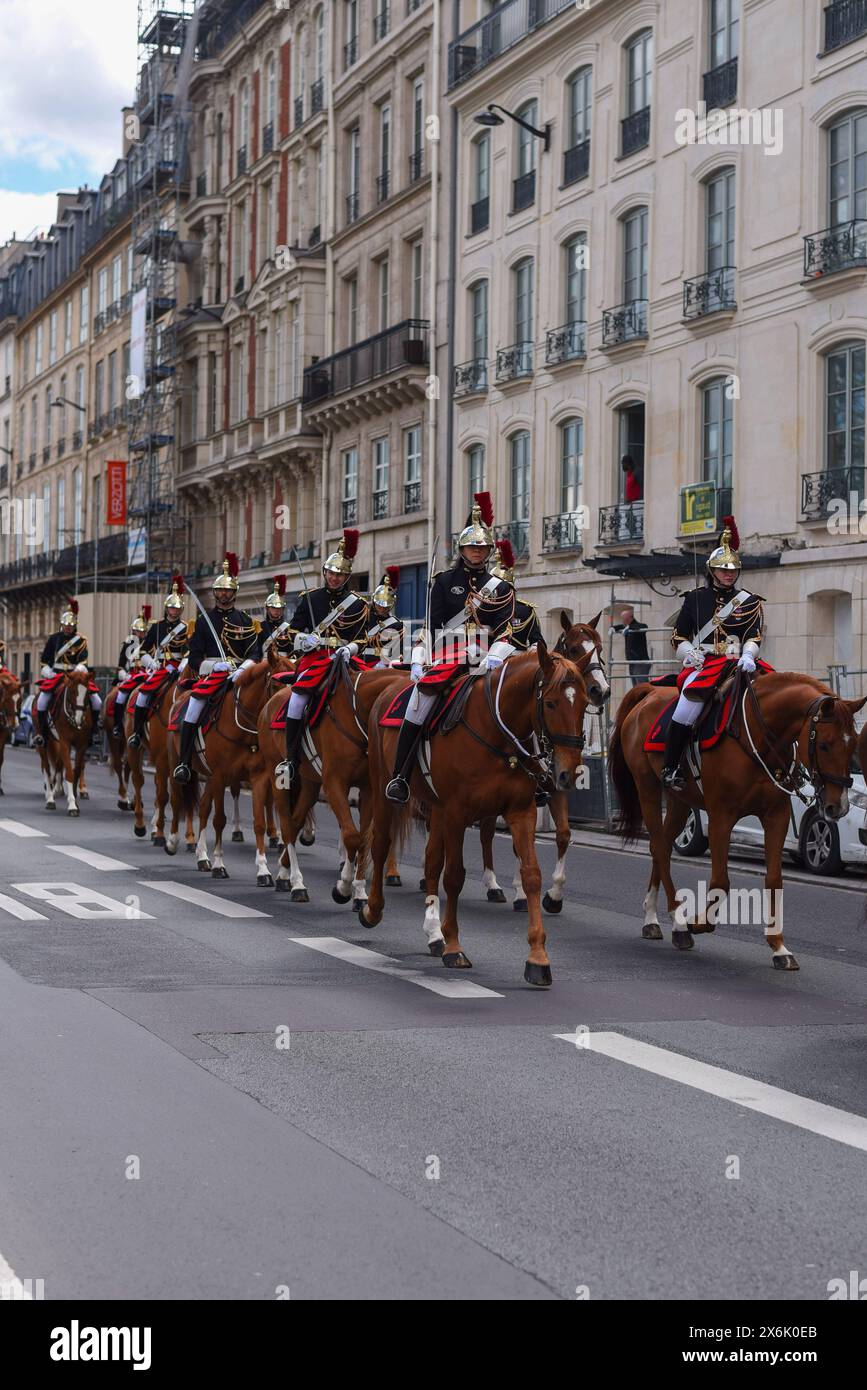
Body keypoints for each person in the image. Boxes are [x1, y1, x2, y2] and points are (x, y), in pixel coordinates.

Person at [384, 492, 515, 804]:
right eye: (472, 547)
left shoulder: (502, 588)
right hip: (448, 658)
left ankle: (534, 774)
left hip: (488, 659)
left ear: (489, 551)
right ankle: (401, 776)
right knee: (418, 704)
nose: (477, 552)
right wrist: (420, 660)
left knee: (527, 699)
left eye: (482, 547)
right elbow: (431, 626)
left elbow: (506, 628)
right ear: (462, 549)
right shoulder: (444, 582)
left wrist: (497, 655)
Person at [662, 515, 766, 791]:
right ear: (712, 571)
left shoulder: (751, 601)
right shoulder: (695, 598)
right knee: (686, 708)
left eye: (733, 570)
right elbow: (678, 636)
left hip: (740, 662)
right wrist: (687, 652)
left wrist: (749, 655)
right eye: (723, 569)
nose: (729, 574)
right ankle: (671, 767)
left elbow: (754, 634)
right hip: (705, 664)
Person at [275, 529, 369, 785]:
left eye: (340, 574)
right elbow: (291, 632)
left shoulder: (359, 604)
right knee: (296, 699)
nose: (335, 578)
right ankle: (292, 759)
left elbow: (364, 638)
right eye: (331, 573)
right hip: (315, 659)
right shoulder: (310, 598)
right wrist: (303, 640)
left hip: (346, 660)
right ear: (325, 572)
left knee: (371, 692)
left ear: (347, 576)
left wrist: (350, 648)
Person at [172, 555, 261, 784]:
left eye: (227, 590)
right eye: (220, 590)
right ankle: (184, 762)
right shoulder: (203, 621)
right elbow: (194, 659)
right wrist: (214, 666)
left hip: (240, 676)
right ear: (214, 592)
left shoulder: (245, 621)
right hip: (213, 676)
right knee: (193, 707)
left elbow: (255, 653)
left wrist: (244, 669)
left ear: (234, 593)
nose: (223, 594)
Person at [127, 580, 190, 750]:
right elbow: (143, 650)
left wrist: (184, 662)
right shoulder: (157, 627)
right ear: (166, 608)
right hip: (161, 667)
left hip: (180, 668)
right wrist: (151, 662)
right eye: (172, 608)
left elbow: (189, 650)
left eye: (177, 608)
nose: (174, 611)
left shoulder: (186, 628)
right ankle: (137, 733)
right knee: (142, 696)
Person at [32, 601, 102, 746]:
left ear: (74, 625)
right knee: (42, 700)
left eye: (70, 626)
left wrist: (78, 671)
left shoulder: (81, 641)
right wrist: (48, 672)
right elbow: (44, 661)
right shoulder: (53, 639)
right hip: (56, 675)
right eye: (66, 625)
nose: (68, 628)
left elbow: (83, 662)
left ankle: (93, 731)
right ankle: (42, 733)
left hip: (75, 677)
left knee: (97, 701)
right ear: (62, 624)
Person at [489, 538, 542, 650]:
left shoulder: (525, 610)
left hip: (517, 657)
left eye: (504, 588)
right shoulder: (485, 609)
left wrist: (534, 648)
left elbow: (537, 640)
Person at [111, 607, 151, 739]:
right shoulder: (128, 644)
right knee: (121, 695)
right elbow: (121, 665)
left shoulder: (150, 643)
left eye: (142, 632)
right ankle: (117, 725)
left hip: (146, 674)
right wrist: (125, 675)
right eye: (137, 631)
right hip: (131, 676)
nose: (139, 634)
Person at [362, 567, 404, 665]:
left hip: (383, 665)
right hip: (360, 663)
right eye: (379, 604)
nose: (382, 608)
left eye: (386, 606)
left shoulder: (396, 624)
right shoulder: (364, 617)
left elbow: (398, 651)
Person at [612, 606, 651, 685]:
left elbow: (644, 626)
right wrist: (613, 628)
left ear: (629, 618)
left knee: (642, 685)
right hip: (632, 662)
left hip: (640, 662)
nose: (622, 621)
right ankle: (639, 698)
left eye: (623, 619)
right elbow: (619, 626)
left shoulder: (637, 626)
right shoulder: (627, 627)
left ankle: (646, 697)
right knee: (635, 686)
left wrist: (629, 628)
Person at [259, 575, 295, 659]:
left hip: (284, 664)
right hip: (264, 663)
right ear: (267, 609)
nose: (276, 611)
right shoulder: (260, 627)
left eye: (279, 608)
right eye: (273, 608)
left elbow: (293, 650)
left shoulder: (288, 629)